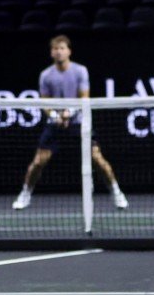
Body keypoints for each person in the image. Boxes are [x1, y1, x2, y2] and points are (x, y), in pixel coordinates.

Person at [14, 36, 129, 210]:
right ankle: (25, 193)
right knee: (38, 162)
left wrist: (69, 113)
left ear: (69, 51)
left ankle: (116, 192)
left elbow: (84, 97)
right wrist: (55, 117)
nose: (58, 52)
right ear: (51, 52)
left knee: (97, 159)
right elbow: (45, 102)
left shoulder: (80, 71)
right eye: (55, 49)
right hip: (55, 123)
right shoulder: (46, 75)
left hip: (78, 122)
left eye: (62, 48)